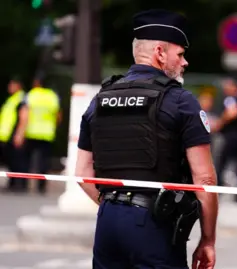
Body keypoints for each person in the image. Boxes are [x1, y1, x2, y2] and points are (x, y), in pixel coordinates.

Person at [75, 9, 218, 269]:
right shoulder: (180, 101)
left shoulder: (100, 99)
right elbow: (205, 179)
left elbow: (82, 172)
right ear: (160, 53)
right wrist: (207, 240)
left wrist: (116, 205)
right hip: (154, 224)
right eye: (181, 54)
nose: (185, 62)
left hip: (108, 221)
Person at [211, 78, 237, 203]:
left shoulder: (233, 99)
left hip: (232, 137)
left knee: (222, 164)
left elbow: (232, 113)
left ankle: (220, 192)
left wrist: (219, 124)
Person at [25, 75, 62, 194]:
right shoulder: (52, 96)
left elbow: (25, 114)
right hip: (47, 133)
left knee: (28, 159)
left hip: (31, 132)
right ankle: (42, 185)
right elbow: (58, 116)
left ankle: (26, 183)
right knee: (44, 160)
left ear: (37, 83)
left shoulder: (32, 94)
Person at [0, 77, 29, 192]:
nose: (9, 87)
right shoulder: (12, 99)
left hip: (14, 134)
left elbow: (24, 117)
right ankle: (12, 183)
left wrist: (19, 134)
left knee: (17, 161)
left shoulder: (21, 98)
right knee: (11, 160)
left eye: (11, 85)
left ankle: (20, 184)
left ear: (18, 86)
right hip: (6, 135)